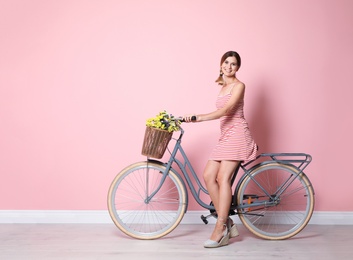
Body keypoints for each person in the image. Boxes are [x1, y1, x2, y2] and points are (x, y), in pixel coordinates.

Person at [183, 51, 257, 248]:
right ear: (221, 64)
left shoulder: (239, 86)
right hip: (225, 136)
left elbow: (226, 111)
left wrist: (198, 117)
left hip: (238, 134)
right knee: (208, 175)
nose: (229, 66)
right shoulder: (223, 86)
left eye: (233, 64)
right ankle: (228, 221)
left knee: (222, 178)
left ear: (238, 67)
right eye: (226, 62)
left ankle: (220, 227)